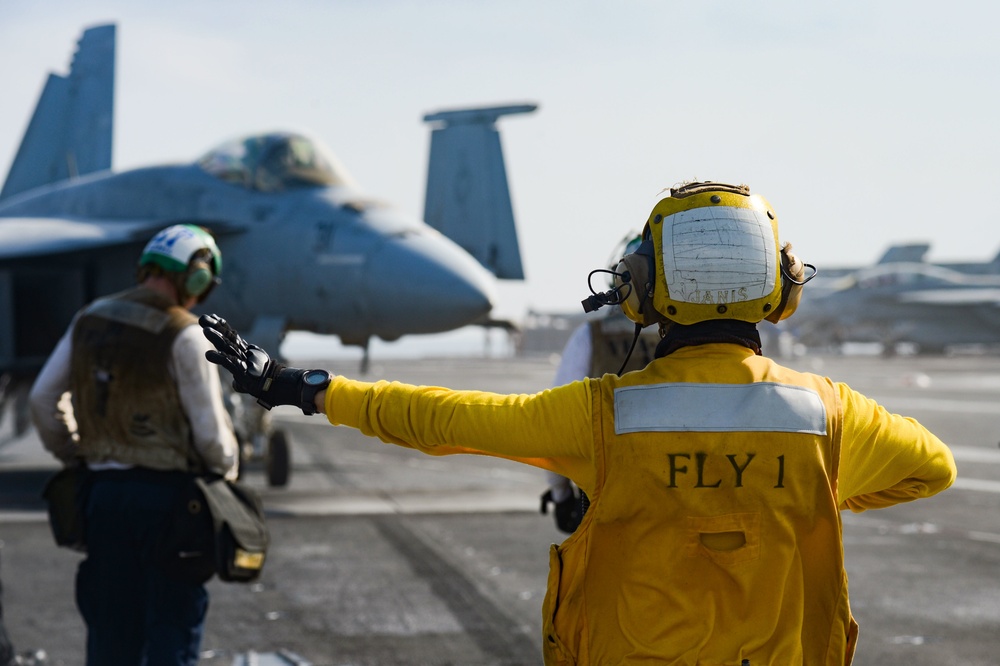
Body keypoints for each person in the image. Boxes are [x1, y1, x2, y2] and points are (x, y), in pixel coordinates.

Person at [200, 181, 956, 665]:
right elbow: (933, 468)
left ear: (640, 290)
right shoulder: (827, 414)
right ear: (783, 289)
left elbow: (444, 418)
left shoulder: (604, 414)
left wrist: (309, 389)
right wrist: (814, 492)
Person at [29, 224, 239, 666]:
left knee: (110, 635)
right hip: (169, 506)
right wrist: (226, 476)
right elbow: (212, 438)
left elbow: (43, 400)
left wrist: (76, 454)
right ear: (196, 277)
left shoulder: (87, 319)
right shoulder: (185, 332)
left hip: (102, 501)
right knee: (171, 631)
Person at [541, 234, 663, 533]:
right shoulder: (686, 339)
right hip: (674, 487)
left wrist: (560, 493)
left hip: (604, 491)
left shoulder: (591, 337)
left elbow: (560, 420)